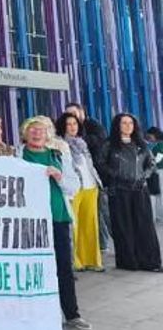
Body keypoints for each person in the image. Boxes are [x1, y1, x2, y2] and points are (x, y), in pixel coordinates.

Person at [19, 117, 90, 330]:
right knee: (33, 268)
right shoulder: (16, 154)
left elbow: (74, 186)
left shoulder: (58, 155)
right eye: (32, 130)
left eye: (42, 130)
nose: (37, 133)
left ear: (48, 134)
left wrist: (59, 176)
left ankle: (72, 315)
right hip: (29, 222)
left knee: (63, 269)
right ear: (25, 133)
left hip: (57, 217)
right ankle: (34, 315)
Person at [96, 113, 162, 271]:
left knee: (144, 226)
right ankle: (128, 262)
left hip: (140, 189)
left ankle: (150, 262)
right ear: (117, 125)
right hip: (118, 190)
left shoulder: (142, 144)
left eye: (130, 123)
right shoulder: (109, 144)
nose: (127, 126)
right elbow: (100, 163)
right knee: (123, 227)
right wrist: (115, 174)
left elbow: (151, 164)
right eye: (124, 123)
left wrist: (143, 176)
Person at [57, 112, 104, 272]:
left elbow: (89, 164)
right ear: (63, 126)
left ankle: (92, 260)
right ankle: (76, 261)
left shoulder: (82, 143)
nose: (72, 127)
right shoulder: (60, 145)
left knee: (91, 226)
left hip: (91, 186)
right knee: (75, 227)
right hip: (74, 189)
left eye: (75, 124)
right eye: (69, 124)